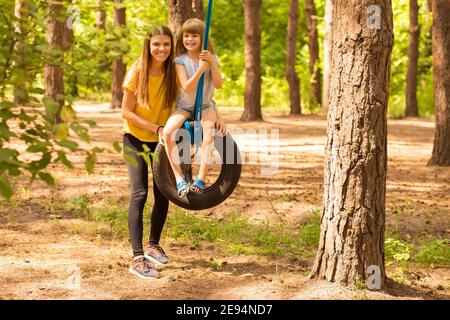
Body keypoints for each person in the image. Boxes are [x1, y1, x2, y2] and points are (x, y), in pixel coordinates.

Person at [121, 25, 178, 279]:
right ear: (148, 45)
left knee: (163, 191)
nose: (161, 49)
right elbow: (126, 112)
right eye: (156, 44)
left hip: (160, 141)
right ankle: (137, 258)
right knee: (140, 193)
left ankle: (153, 245)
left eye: (166, 44)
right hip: (134, 138)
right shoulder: (137, 71)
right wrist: (156, 127)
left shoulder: (173, 71)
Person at [162, 18, 227, 197]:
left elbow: (219, 84)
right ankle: (179, 178)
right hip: (184, 107)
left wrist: (211, 63)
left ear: (202, 38)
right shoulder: (180, 61)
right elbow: (188, 87)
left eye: (194, 36)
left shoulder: (212, 58)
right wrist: (200, 69)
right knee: (167, 133)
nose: (189, 39)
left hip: (206, 106)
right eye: (186, 36)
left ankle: (201, 178)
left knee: (208, 134)